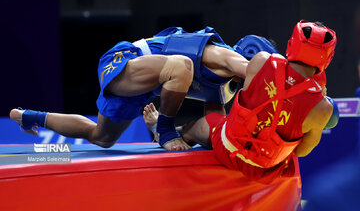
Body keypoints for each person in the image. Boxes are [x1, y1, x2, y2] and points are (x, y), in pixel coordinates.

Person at [144, 20, 338, 183]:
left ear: (292, 44)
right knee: (220, 119)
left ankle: (171, 132)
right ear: (327, 58)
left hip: (228, 147)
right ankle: (169, 131)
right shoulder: (323, 107)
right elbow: (302, 151)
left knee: (198, 127)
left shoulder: (262, 61)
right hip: (267, 168)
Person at [10, 26, 259, 151]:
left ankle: (29, 117)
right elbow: (257, 70)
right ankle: (165, 130)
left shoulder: (226, 87)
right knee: (182, 66)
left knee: (102, 137)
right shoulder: (228, 57)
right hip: (126, 60)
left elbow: (216, 129)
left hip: (145, 87)